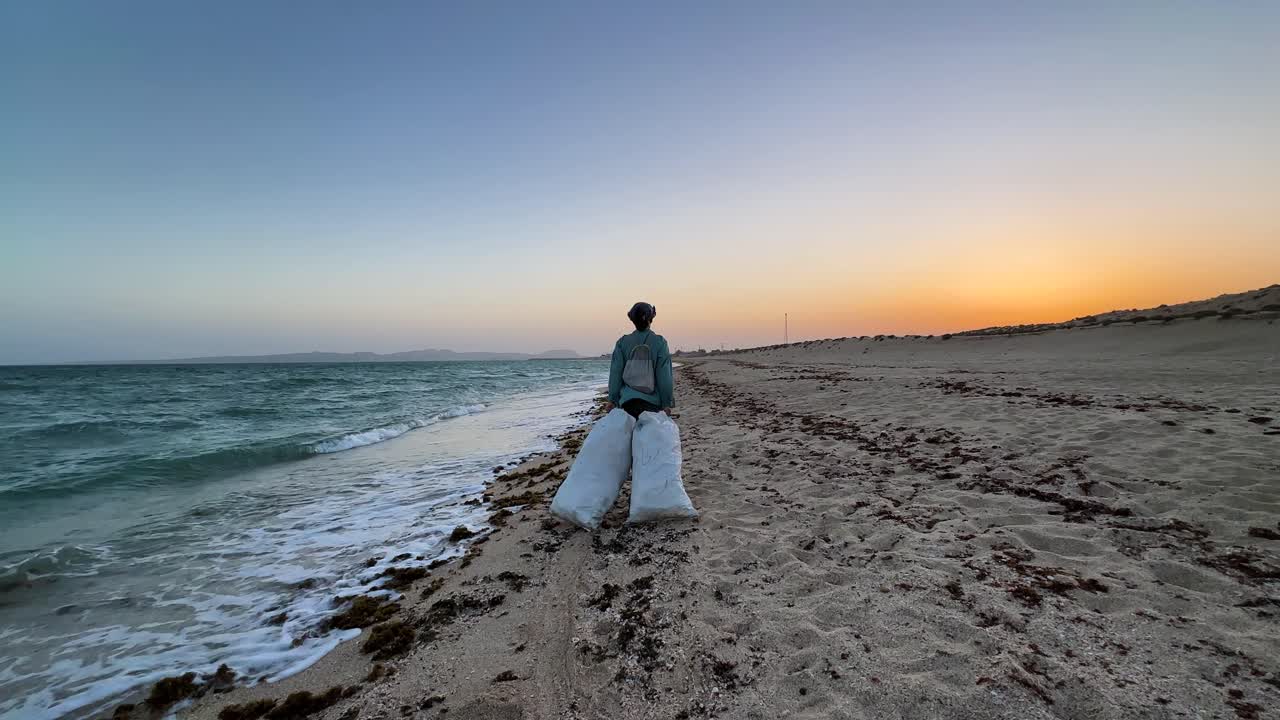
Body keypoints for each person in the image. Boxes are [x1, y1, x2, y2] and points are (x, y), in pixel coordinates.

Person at [605, 301, 674, 418]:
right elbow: (664, 376)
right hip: (652, 402)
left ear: (632, 319)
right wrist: (666, 403)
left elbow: (615, 374)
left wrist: (612, 400)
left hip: (627, 402)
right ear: (651, 318)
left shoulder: (622, 342)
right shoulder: (660, 342)